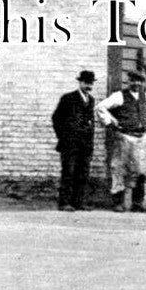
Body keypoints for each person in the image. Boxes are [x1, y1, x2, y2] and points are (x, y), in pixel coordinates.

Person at [96, 70, 146, 214]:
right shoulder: (119, 96)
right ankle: (118, 203)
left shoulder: (145, 97)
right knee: (119, 169)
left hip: (141, 138)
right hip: (124, 137)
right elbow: (100, 107)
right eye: (133, 80)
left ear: (142, 83)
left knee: (141, 170)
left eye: (139, 81)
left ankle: (138, 203)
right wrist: (111, 122)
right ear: (128, 81)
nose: (136, 83)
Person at [51, 69, 97, 211]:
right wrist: (64, 137)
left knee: (82, 173)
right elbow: (56, 118)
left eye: (90, 83)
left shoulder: (91, 100)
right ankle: (64, 203)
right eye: (86, 83)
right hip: (70, 143)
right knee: (68, 173)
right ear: (80, 82)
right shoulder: (68, 98)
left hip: (85, 144)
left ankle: (78, 202)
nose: (88, 86)